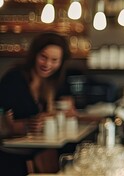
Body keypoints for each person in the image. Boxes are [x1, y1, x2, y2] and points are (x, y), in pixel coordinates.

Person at [0, 32, 72, 175]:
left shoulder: (51, 83)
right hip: (11, 158)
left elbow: (51, 113)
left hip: (37, 155)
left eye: (54, 60)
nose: (47, 64)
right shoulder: (15, 79)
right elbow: (4, 124)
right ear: (34, 54)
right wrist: (24, 125)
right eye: (43, 57)